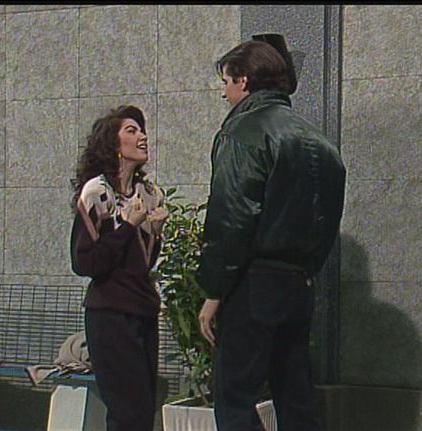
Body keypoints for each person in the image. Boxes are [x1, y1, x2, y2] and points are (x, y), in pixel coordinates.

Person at [196, 34, 346, 431]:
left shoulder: (243, 132)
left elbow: (231, 216)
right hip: (298, 285)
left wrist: (214, 291)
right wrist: (308, 268)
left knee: (234, 398)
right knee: (297, 400)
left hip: (253, 282)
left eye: (226, 82)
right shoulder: (320, 142)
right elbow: (328, 217)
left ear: (244, 80)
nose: (224, 94)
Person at [70, 105, 168, 431]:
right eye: (131, 130)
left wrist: (155, 233)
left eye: (142, 130)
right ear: (114, 144)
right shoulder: (96, 193)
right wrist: (128, 225)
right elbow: (86, 262)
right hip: (110, 313)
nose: (142, 137)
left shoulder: (149, 195)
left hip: (143, 309)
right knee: (127, 414)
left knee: (143, 412)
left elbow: (142, 264)